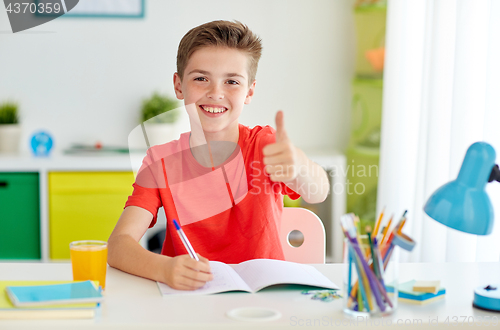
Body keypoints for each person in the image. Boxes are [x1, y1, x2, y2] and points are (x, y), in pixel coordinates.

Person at [108, 20, 330, 291]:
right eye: (201, 79)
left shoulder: (264, 145)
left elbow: (318, 192)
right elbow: (118, 245)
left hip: (263, 303)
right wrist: (163, 268)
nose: (215, 93)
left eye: (232, 82)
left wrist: (300, 167)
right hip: (188, 299)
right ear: (179, 85)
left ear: (249, 91)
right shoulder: (160, 162)